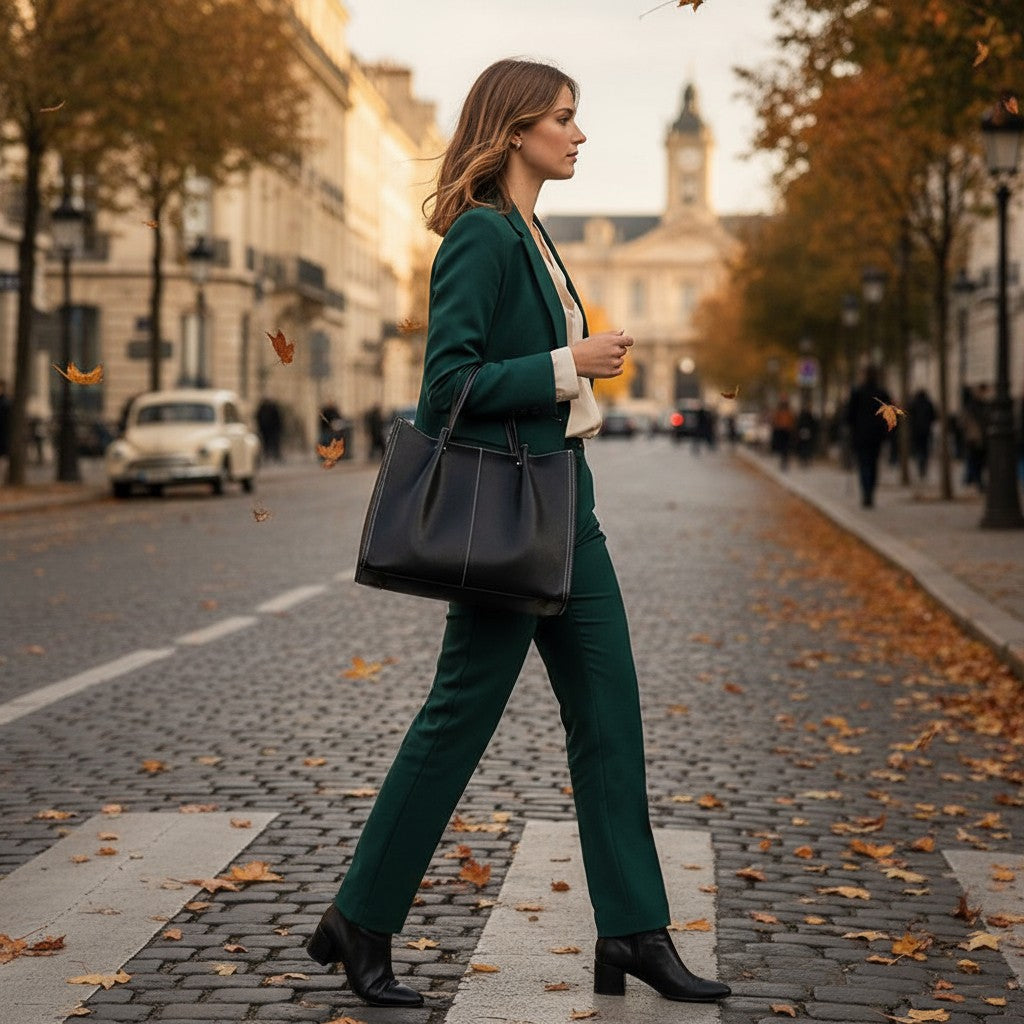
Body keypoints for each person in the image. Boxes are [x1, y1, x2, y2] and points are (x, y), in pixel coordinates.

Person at [305, 59, 731, 1009]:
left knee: (612, 719)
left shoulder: (536, 235)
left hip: (567, 507)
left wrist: (572, 366)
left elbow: (530, 370)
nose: (579, 135)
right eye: (565, 119)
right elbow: (444, 391)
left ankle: (631, 930)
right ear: (516, 130)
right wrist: (563, 362)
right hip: (507, 515)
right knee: (458, 719)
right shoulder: (483, 237)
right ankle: (360, 918)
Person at [846, 365, 893, 507]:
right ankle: (870, 492)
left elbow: (849, 416)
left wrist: (851, 429)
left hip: (861, 435)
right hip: (876, 435)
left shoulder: (857, 392)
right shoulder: (882, 393)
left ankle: (866, 492)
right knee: (873, 464)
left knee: (863, 464)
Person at [908, 388, 937, 481]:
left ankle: (920, 464)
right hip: (926, 430)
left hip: (916, 431)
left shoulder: (913, 403)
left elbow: (909, 418)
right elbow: (934, 416)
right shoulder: (928, 404)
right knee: (925, 449)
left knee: (918, 448)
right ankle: (923, 465)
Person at [770, 396, 795, 470]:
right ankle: (783, 462)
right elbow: (775, 421)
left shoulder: (789, 411)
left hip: (787, 431)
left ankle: (785, 462)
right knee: (783, 449)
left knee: (786, 449)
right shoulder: (779, 411)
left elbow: (792, 421)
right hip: (781, 431)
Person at [256, 396, 284, 462]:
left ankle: (274, 455)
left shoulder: (269, 409)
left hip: (270, 429)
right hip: (267, 429)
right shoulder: (265, 409)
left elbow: (278, 419)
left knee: (272, 443)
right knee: (269, 443)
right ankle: (270, 455)